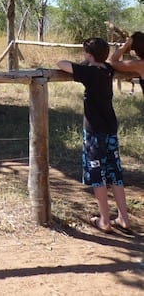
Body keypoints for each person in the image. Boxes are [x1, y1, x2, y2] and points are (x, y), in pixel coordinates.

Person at [58, 37, 132, 234]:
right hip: (110, 128)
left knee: (97, 174)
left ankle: (105, 220)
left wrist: (85, 63)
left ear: (89, 55)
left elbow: (61, 64)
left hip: (94, 132)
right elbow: (108, 62)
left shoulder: (89, 72)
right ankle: (123, 218)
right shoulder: (108, 70)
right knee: (115, 172)